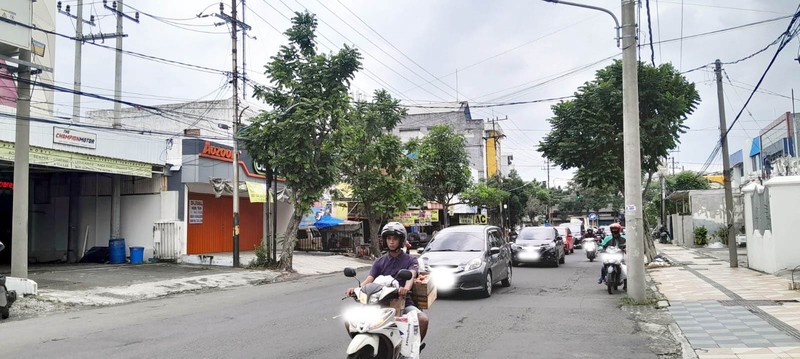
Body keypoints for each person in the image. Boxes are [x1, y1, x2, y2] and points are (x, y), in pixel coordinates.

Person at [345, 222, 429, 342]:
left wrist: (405, 288)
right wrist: (356, 289)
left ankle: (414, 349)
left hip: (403, 302)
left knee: (423, 320)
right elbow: (370, 279)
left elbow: (411, 275)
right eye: (388, 238)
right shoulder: (379, 261)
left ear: (401, 240)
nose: (391, 241)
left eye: (395, 238)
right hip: (378, 302)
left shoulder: (411, 260)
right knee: (350, 319)